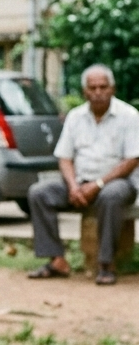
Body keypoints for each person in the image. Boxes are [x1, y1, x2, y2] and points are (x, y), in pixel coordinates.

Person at [28, 64, 139, 286]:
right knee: (39, 193)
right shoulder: (75, 117)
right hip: (80, 183)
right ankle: (56, 260)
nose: (98, 92)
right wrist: (73, 187)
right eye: (92, 88)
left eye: (103, 87)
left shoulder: (129, 116)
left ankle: (106, 263)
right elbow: (64, 157)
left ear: (112, 89)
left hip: (117, 183)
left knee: (111, 195)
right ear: (84, 92)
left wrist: (98, 184)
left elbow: (131, 160)